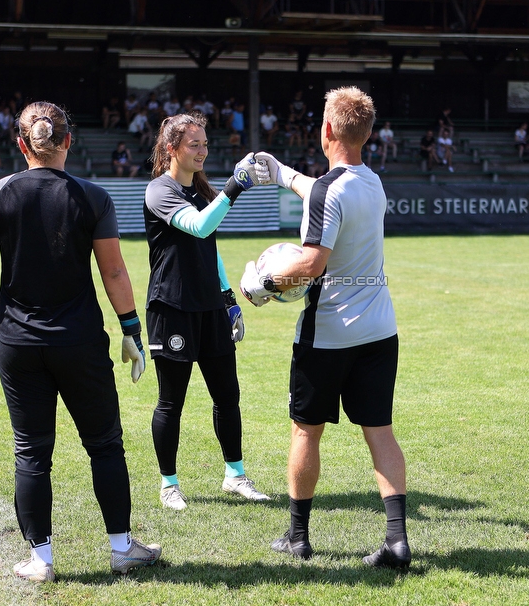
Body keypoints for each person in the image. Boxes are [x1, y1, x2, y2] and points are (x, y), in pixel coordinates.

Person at [0, 101, 162, 583]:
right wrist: (132, 331)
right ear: (69, 141)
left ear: (22, 144)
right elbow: (113, 269)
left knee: (31, 451)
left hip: (18, 342)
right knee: (106, 445)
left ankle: (41, 560)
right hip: (81, 341)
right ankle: (121, 549)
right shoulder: (93, 196)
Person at [242, 86, 410, 570]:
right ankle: (397, 541)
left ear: (328, 129)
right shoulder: (373, 182)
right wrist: (281, 174)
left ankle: (297, 537)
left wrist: (265, 285)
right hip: (379, 331)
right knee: (380, 432)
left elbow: (313, 263)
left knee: (305, 433)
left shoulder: (326, 191)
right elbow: (325, 190)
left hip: (328, 335)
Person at [142, 111, 271, 512]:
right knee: (171, 402)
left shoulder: (201, 191)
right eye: (194, 144)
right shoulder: (159, 191)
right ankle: (169, 484)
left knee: (227, 396)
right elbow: (198, 227)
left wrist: (229, 300)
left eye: (205, 144)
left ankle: (235, 475)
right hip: (172, 308)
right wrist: (234, 187)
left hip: (210, 309)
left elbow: (208, 247)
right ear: (171, 148)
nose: (202, 151)